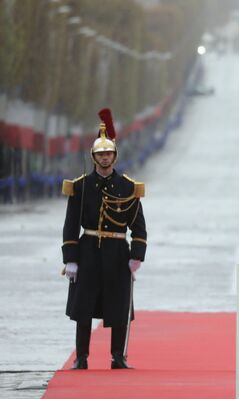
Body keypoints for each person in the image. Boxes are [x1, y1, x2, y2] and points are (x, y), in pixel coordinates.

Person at [61, 108, 147, 370]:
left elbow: (139, 227)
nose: (105, 157)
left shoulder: (128, 188)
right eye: (100, 154)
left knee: (119, 306)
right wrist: (70, 260)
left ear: (115, 156)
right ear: (94, 157)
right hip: (88, 250)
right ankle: (82, 357)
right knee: (84, 306)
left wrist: (136, 257)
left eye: (108, 153)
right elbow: (70, 226)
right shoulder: (81, 186)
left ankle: (118, 357)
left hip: (117, 252)